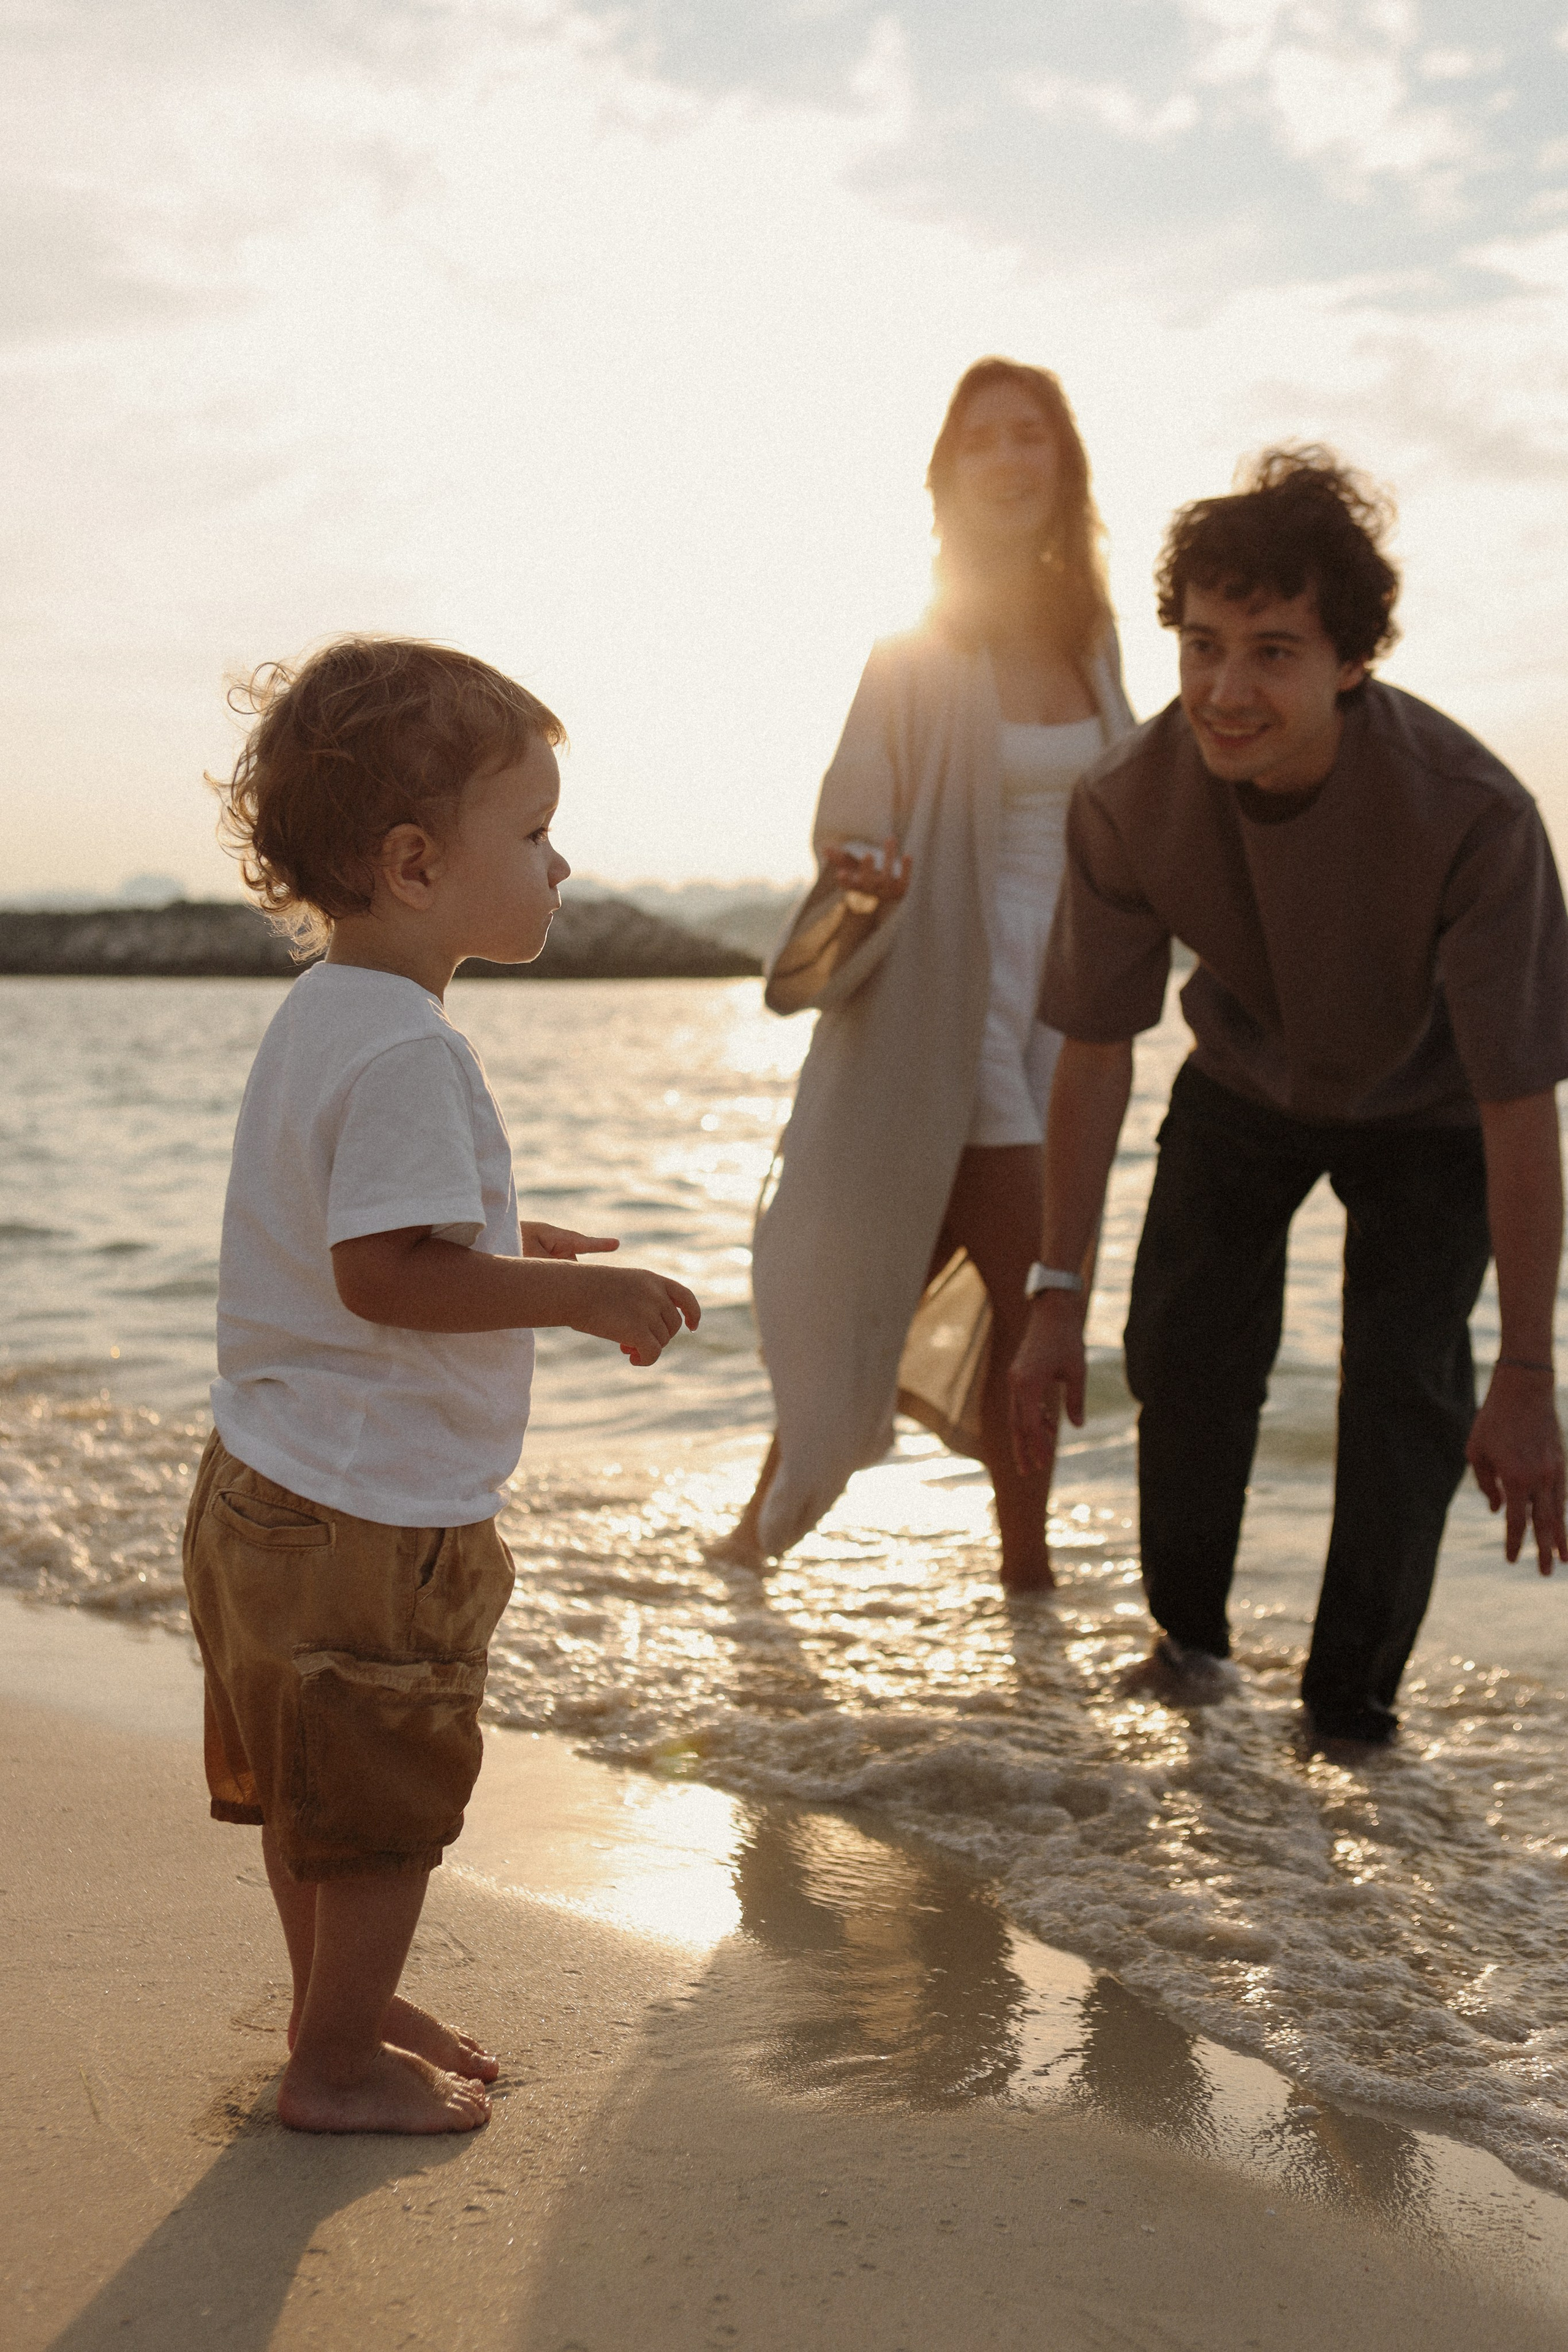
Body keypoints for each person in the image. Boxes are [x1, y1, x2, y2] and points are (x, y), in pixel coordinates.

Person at [184, 638, 699, 2134]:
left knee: (310, 1786)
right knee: (387, 1801)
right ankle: (334, 2064)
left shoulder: (321, 1014)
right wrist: (577, 1295)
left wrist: (499, 1237)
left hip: (259, 1489)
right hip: (368, 1515)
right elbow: (386, 1278)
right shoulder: (412, 1046)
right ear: (416, 862)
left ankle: (333, 2007)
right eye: (531, 834)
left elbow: (342, 1224)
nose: (558, 862)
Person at [1009, 449, 1568, 1745]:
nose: (1223, 690)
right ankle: (1190, 1653)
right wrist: (1052, 1291)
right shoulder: (1125, 799)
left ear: (1349, 662)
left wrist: (1530, 1371)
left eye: (1271, 651)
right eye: (1201, 646)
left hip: (1430, 1106)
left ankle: (1349, 1716)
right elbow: (1094, 1052)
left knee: (1402, 1395)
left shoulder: (1473, 815)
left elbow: (1516, 1106)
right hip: (1247, 1079)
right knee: (1179, 1354)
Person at [717, 358, 1136, 1585]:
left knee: (946, 1293)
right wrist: (859, 863)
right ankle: (1028, 1587)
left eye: (1030, 438)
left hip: (1066, 1004)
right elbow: (854, 807)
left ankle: (756, 1537)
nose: (1009, 459)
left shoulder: (1095, 640)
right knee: (1024, 1294)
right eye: (982, 441)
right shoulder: (914, 648)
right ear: (946, 477)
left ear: (1061, 468)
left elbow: (1131, 811)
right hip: (941, 1000)